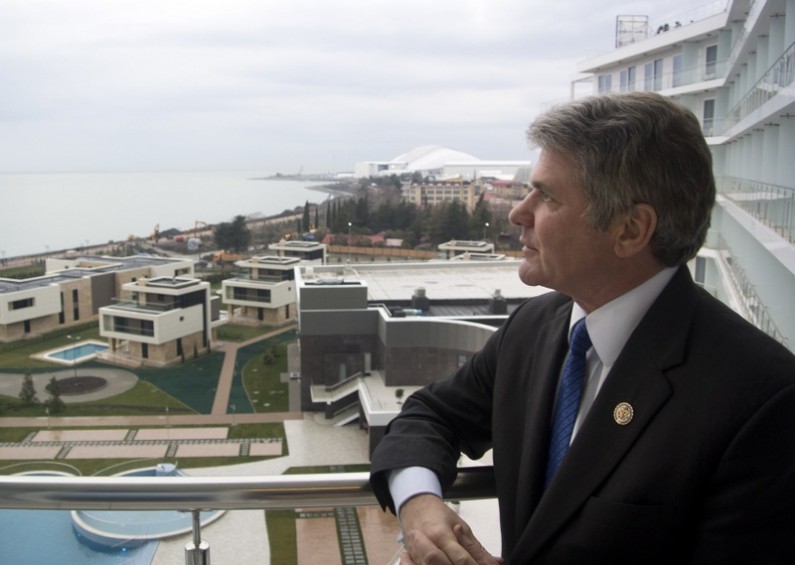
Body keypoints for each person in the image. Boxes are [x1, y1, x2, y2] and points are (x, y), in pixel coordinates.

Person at [369, 92, 795, 564]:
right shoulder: (533, 327)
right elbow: (430, 414)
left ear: (631, 230)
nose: (517, 213)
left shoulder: (764, 402)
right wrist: (419, 503)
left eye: (547, 196)